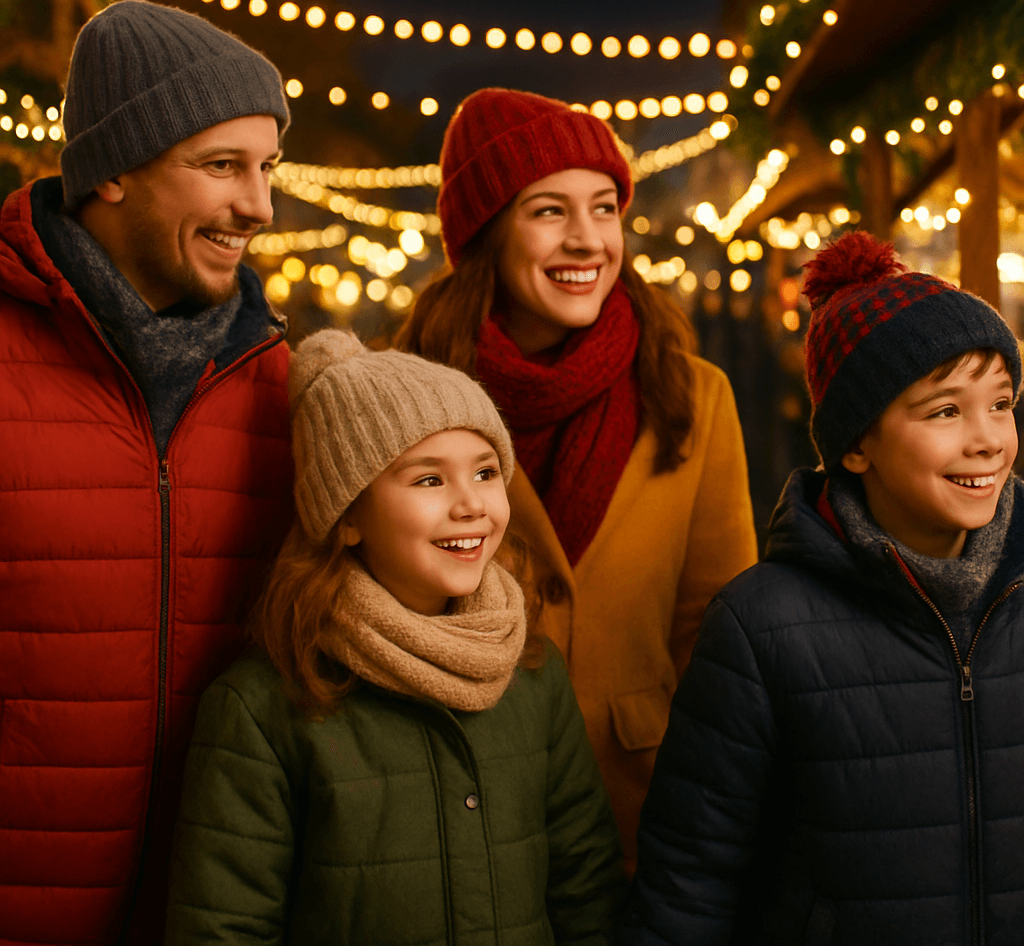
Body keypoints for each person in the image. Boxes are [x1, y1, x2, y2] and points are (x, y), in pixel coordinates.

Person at [621, 231, 1024, 945]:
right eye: (945, 411)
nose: (988, 438)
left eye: (1001, 403)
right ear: (855, 444)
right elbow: (690, 882)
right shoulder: (760, 627)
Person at [163, 329, 626, 943]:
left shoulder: (533, 672)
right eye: (429, 480)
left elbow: (585, 888)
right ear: (348, 515)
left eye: (486, 472)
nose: (471, 505)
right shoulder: (263, 707)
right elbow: (223, 928)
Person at [396, 87, 758, 869]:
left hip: (645, 813)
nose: (588, 240)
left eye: (604, 209)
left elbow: (719, 633)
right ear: (487, 233)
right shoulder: (411, 396)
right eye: (549, 211)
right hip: (458, 812)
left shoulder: (694, 397)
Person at [0, 1, 293, 944]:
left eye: (266, 168)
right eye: (222, 167)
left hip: (200, 915)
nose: (260, 205)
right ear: (114, 171)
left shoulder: (280, 385)